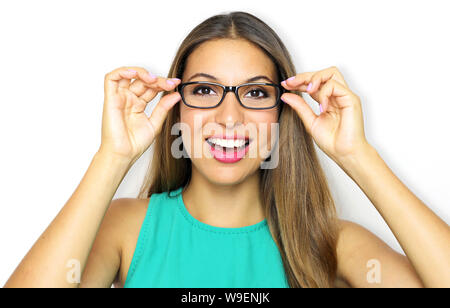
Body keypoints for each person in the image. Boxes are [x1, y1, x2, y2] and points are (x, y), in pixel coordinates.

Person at [4, 11, 449, 288]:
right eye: (204, 90)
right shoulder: (127, 228)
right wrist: (112, 157)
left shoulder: (333, 242)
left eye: (255, 95)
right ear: (175, 110)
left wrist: (357, 156)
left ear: (283, 113)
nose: (230, 117)